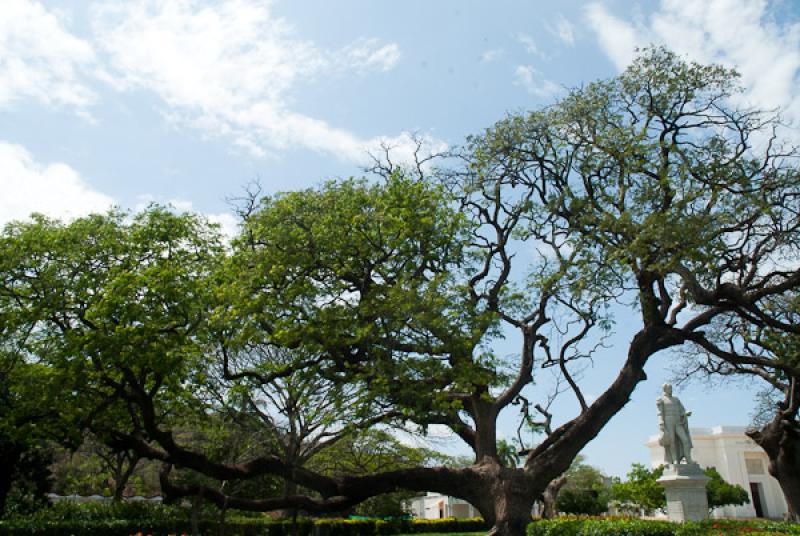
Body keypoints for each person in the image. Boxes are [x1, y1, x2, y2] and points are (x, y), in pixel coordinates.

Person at [656, 383, 693, 464]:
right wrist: (661, 422)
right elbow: (659, 412)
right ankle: (675, 459)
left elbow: (682, 410)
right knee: (672, 441)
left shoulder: (676, 399)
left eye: (671, 388)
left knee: (685, 440)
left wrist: (686, 413)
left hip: (678, 422)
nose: (671, 390)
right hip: (668, 421)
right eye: (669, 388)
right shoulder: (661, 399)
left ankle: (688, 458)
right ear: (665, 389)